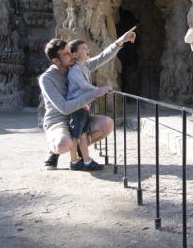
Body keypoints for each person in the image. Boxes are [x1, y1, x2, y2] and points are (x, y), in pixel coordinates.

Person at [39, 27, 137, 170]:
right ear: (56, 60)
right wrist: (93, 93)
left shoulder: (78, 66)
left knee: (107, 124)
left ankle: (78, 148)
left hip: (79, 115)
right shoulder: (46, 79)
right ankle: (55, 151)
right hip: (58, 121)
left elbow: (101, 58)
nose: (72, 55)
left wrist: (121, 41)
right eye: (66, 54)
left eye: (70, 51)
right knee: (63, 143)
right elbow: (64, 108)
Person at [65, 39, 105, 171]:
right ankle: (74, 161)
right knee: (75, 135)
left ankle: (87, 161)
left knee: (83, 135)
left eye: (87, 48)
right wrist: (98, 90)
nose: (87, 50)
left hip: (84, 107)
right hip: (77, 107)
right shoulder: (75, 70)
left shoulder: (84, 68)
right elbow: (83, 85)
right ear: (75, 55)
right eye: (83, 48)